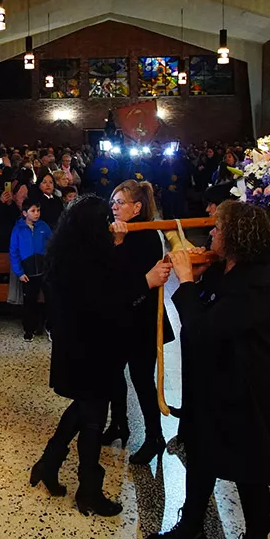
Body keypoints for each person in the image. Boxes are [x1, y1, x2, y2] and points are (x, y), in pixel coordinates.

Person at [147, 202, 270, 539]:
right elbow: (201, 314)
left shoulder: (257, 282)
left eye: (219, 229)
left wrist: (188, 281)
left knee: (249, 467)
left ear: (238, 237)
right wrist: (198, 279)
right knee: (202, 451)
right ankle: (192, 526)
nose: (212, 235)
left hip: (248, 389)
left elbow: (205, 328)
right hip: (213, 383)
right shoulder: (229, 271)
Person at [32, 196, 172, 515]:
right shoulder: (87, 260)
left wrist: (118, 244)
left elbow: (103, 288)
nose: (110, 223)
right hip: (90, 347)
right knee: (93, 418)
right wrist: (147, 282)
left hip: (76, 345)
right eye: (105, 219)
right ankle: (89, 491)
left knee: (83, 408)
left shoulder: (69, 251)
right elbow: (107, 300)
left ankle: (49, 463)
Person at [103, 180, 170, 465]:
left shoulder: (145, 235)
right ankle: (119, 423)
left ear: (137, 207)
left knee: (142, 379)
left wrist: (117, 244)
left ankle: (155, 436)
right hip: (120, 317)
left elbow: (124, 279)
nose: (114, 207)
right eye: (113, 202)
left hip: (140, 318)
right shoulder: (120, 232)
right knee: (113, 372)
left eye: (121, 203)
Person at [10, 196, 52, 342]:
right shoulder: (18, 230)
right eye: (33, 211)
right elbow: (14, 252)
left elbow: (52, 244)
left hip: (43, 270)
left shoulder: (44, 227)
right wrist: (19, 272)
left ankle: (49, 326)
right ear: (24, 213)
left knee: (49, 300)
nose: (36, 213)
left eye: (38, 210)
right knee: (29, 302)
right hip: (27, 272)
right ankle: (29, 329)